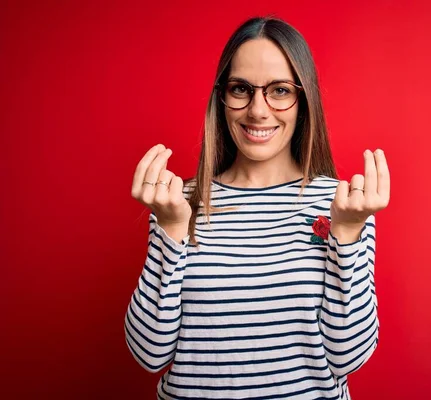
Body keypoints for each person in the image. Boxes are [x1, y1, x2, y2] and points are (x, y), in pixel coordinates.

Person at [125, 15, 390, 400]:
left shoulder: (342, 205)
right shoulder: (177, 203)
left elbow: (348, 357)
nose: (258, 110)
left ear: (304, 99)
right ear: (222, 96)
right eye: (241, 89)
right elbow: (148, 353)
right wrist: (170, 229)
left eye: (280, 90)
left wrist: (347, 235)